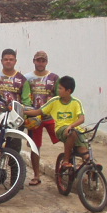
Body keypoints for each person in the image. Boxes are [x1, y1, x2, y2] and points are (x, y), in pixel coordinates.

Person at [24, 76, 86, 170]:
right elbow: (39, 112)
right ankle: (65, 160)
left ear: (68, 91)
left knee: (85, 152)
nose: (58, 90)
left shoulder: (76, 102)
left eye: (60, 88)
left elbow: (82, 119)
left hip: (75, 130)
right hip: (61, 129)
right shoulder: (54, 101)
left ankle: (92, 170)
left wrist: (71, 126)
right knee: (72, 133)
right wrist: (23, 111)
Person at [24, 50, 60, 186]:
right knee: (35, 146)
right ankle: (36, 175)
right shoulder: (27, 78)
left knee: (63, 137)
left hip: (51, 117)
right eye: (38, 60)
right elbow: (25, 96)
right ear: (34, 61)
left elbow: (59, 95)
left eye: (43, 60)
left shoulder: (54, 78)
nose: (40, 63)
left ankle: (67, 163)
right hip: (34, 117)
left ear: (47, 62)